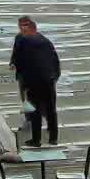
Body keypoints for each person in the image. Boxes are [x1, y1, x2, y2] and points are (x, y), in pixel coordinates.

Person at [9, 15, 61, 147]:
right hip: (48, 81)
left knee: (36, 111)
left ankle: (36, 139)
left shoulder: (25, 41)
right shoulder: (45, 41)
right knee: (51, 110)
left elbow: (23, 62)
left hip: (34, 82)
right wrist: (54, 77)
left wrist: (23, 79)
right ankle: (53, 138)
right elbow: (55, 61)